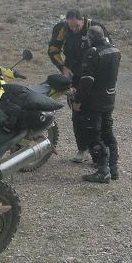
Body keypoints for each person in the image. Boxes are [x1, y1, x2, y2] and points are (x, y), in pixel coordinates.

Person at [48, 9, 111, 163]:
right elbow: (53, 50)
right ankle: (82, 149)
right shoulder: (61, 29)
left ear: (83, 20)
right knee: (77, 113)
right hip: (73, 75)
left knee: (96, 115)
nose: (74, 29)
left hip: (94, 76)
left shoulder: (95, 28)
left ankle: (101, 153)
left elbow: (109, 50)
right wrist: (63, 68)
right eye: (71, 27)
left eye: (77, 26)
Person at [72, 25, 121, 183]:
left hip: (94, 101)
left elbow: (86, 82)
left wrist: (77, 101)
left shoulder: (93, 53)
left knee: (93, 135)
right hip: (109, 97)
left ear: (89, 38)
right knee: (108, 133)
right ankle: (113, 169)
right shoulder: (115, 51)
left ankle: (103, 170)